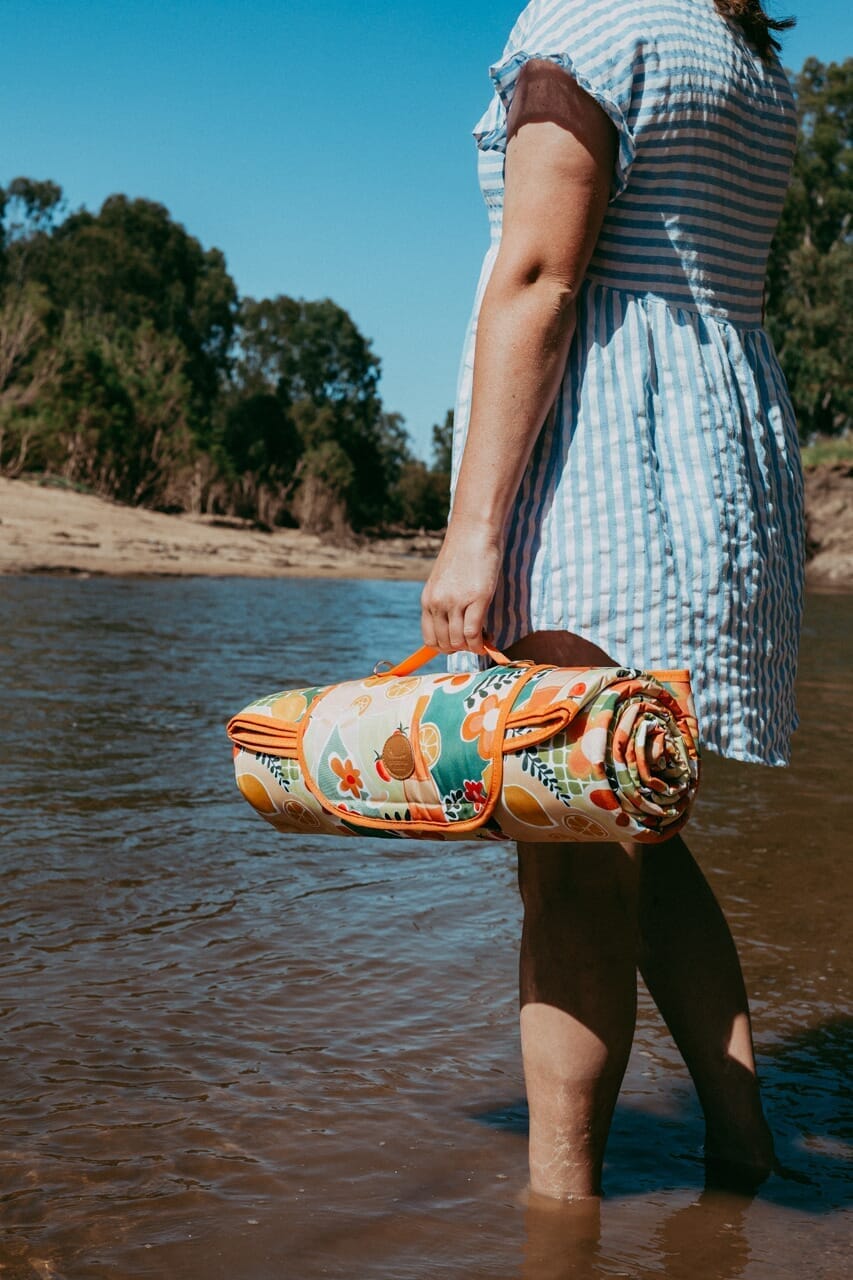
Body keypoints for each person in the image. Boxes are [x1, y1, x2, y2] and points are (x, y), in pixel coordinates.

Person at [421, 0, 804, 1200]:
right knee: (635, 822)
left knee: (571, 861)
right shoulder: (739, 47)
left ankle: (558, 1219)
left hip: (602, 471)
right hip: (715, 465)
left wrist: (470, 540)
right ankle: (743, 1151)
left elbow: (536, 277)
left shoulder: (587, 21)